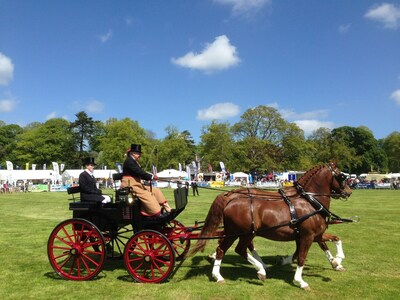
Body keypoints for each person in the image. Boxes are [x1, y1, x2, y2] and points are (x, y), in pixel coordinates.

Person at [121, 143, 173, 220]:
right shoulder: (129, 161)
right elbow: (138, 171)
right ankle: (157, 213)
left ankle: (168, 209)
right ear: (132, 153)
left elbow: (140, 172)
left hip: (136, 183)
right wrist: (151, 177)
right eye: (138, 153)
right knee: (147, 195)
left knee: (156, 191)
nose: (139, 155)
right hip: (129, 184)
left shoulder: (134, 161)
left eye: (139, 153)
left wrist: (150, 176)